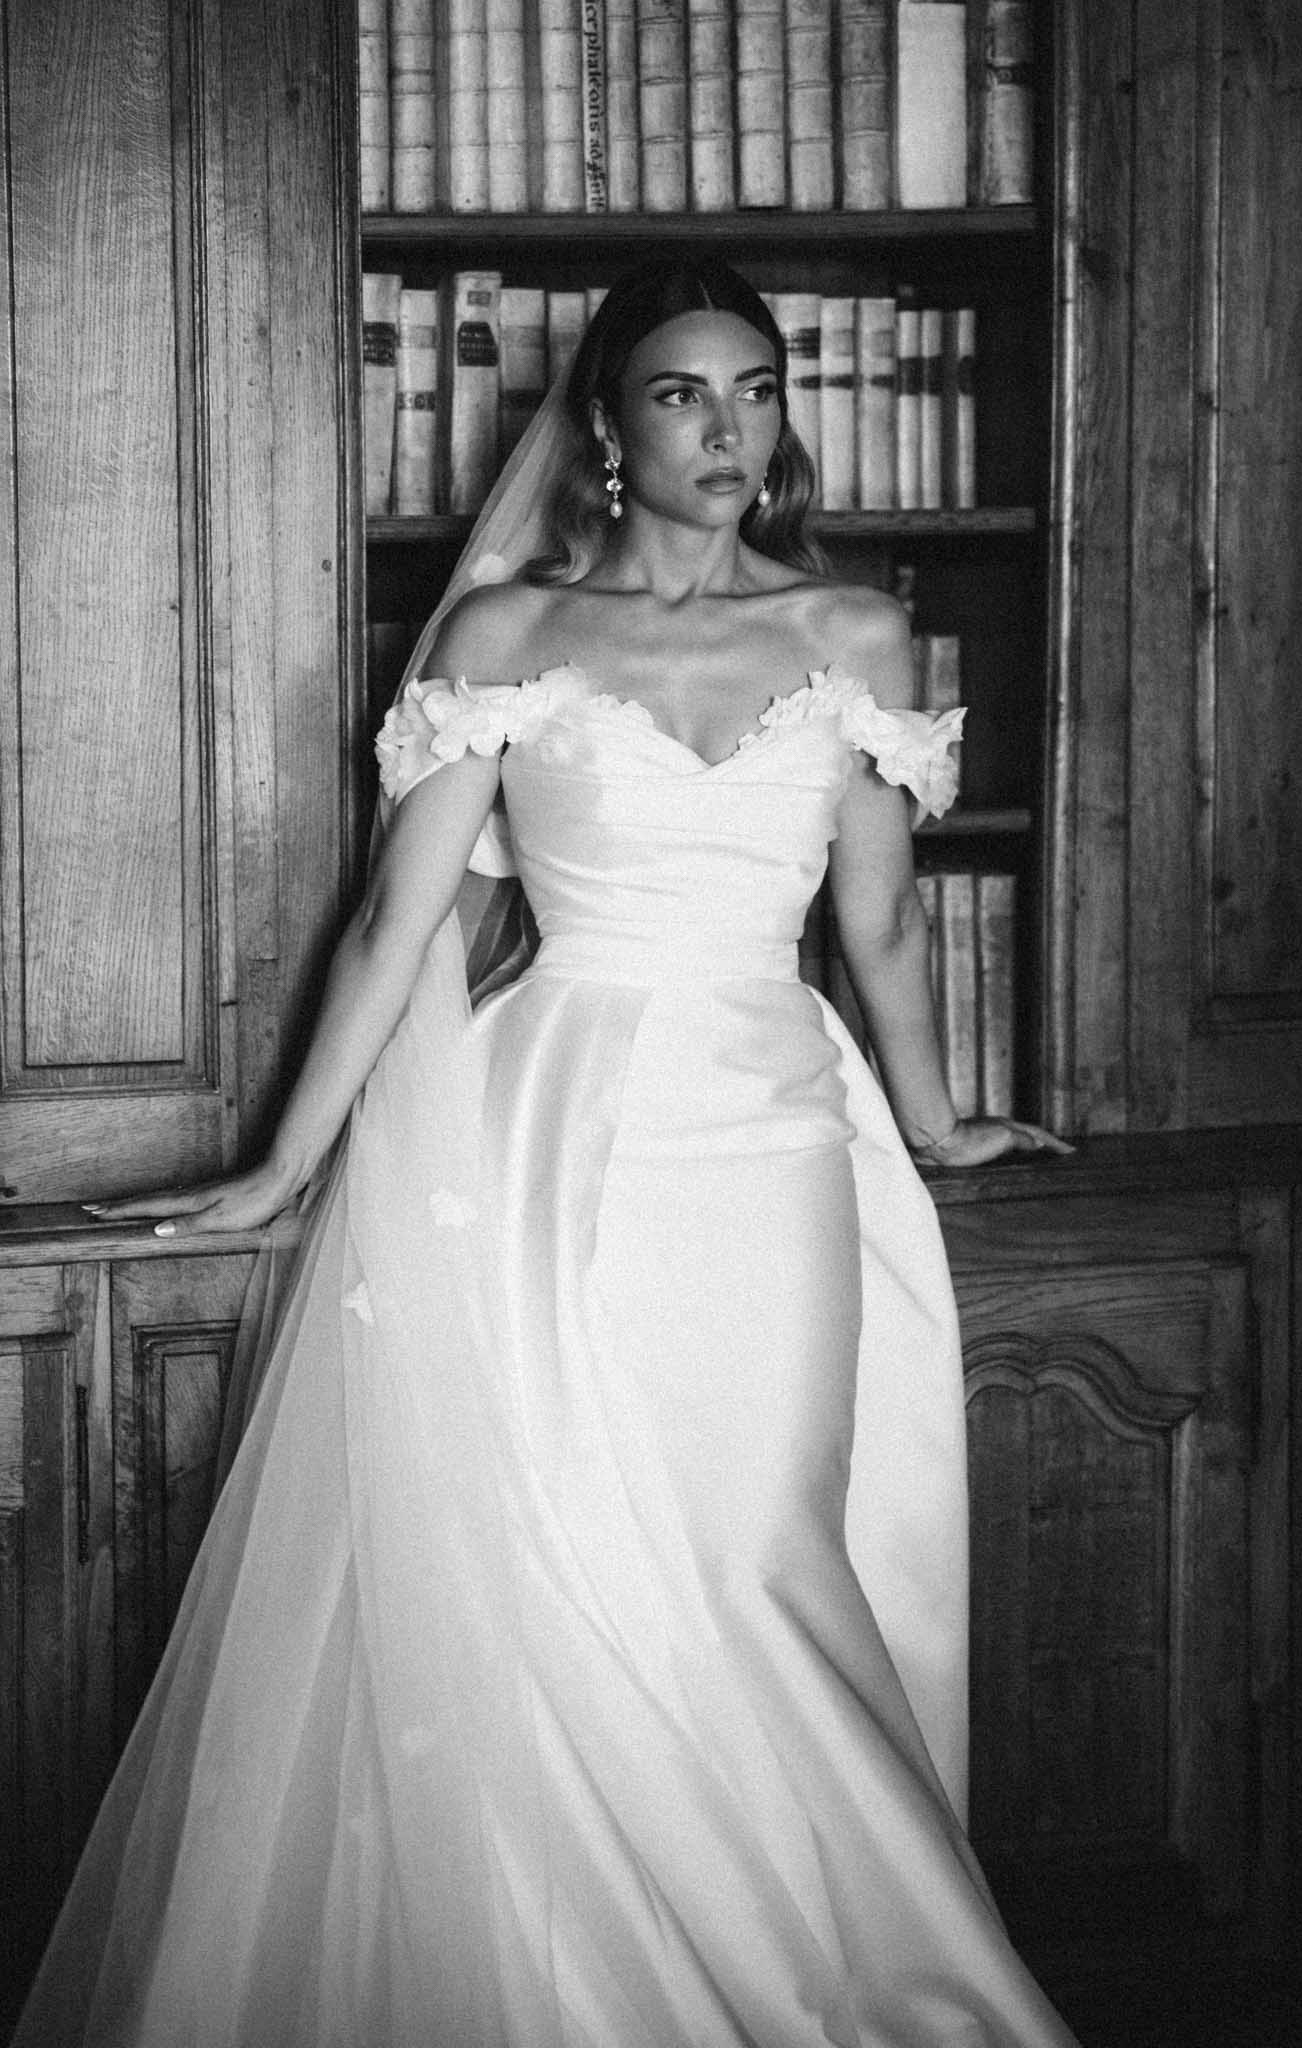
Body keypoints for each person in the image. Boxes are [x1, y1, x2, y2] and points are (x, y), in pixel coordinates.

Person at [14, 259, 1079, 2046]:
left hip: (767, 1130)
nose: (728, 426)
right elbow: (391, 926)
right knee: (562, 1542)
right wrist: (280, 1169)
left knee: (752, 1543)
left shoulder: (861, 634)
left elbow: (881, 934)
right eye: (682, 392)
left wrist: (940, 1121)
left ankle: (838, 1967)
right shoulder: (506, 638)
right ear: (604, 422)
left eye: (755, 388)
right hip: (539, 1133)